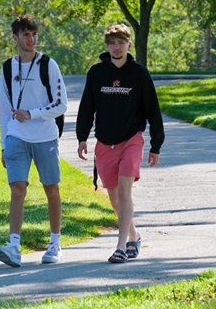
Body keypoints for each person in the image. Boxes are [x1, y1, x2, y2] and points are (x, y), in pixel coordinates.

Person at [76, 23, 164, 264]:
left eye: (120, 42)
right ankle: (134, 236)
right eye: (112, 43)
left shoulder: (139, 74)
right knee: (114, 199)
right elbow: (86, 108)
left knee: (125, 192)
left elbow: (153, 111)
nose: (116, 47)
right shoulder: (96, 73)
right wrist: (82, 137)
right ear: (107, 46)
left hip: (131, 140)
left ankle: (121, 247)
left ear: (129, 44)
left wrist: (156, 145)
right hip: (105, 143)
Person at [0, 14, 68, 267]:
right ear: (15, 38)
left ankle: (55, 244)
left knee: (51, 188)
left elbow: (61, 105)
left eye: (34, 34)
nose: (31, 39)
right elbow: (5, 109)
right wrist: (4, 144)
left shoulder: (48, 65)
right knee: (17, 189)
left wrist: (32, 114)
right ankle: (14, 246)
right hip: (16, 136)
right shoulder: (7, 68)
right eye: (26, 34)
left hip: (45, 135)